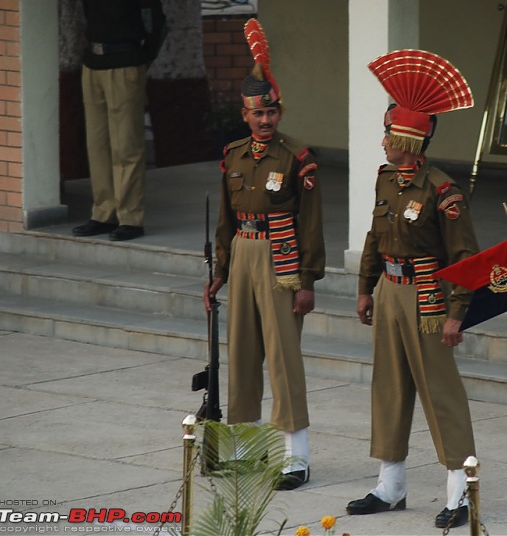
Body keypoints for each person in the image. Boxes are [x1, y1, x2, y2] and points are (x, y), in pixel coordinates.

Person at [346, 50, 479, 529]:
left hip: (428, 296)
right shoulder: (386, 180)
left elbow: (465, 258)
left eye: (387, 134)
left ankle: (461, 492)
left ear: (406, 138)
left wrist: (456, 314)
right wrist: (365, 289)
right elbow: (373, 237)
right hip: (390, 289)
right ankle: (391, 485)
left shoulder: (444, 192)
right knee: (389, 388)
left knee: (441, 393)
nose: (382, 141)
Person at [203, 18, 325, 491]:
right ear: (245, 114)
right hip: (242, 253)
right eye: (258, 114)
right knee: (243, 355)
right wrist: (219, 271)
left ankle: (297, 458)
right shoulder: (232, 156)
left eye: (272, 112)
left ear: (280, 110)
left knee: (283, 359)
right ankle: (246, 450)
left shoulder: (298, 159)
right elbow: (226, 221)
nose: (266, 120)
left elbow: (310, 222)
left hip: (283, 261)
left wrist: (308, 281)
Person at [72, 0, 166, 242]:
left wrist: (142, 57)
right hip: (93, 63)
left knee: (126, 145)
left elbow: (156, 22)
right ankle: (104, 212)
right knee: (97, 144)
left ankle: (130, 218)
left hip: (125, 63)